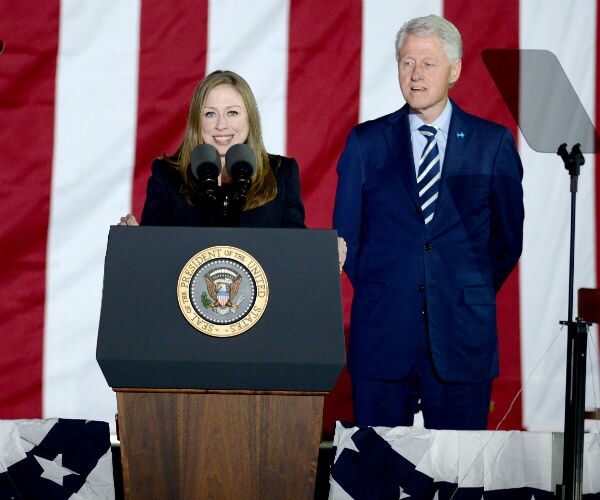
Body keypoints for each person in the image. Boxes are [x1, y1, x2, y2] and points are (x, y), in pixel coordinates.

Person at [333, 15, 524, 430]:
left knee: (457, 480)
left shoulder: (492, 144)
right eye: (406, 63)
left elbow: (507, 240)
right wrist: (384, 284)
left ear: (454, 70)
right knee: (377, 473)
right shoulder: (366, 143)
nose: (415, 75)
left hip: (462, 334)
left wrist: (462, 286)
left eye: (428, 63)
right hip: (383, 333)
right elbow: (345, 237)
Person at [119, 70, 305, 228]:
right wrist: (138, 240)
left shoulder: (282, 173)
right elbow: (154, 252)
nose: (221, 125)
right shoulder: (167, 176)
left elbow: (297, 249)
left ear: (249, 118)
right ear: (196, 122)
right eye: (210, 114)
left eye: (232, 112)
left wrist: (330, 250)